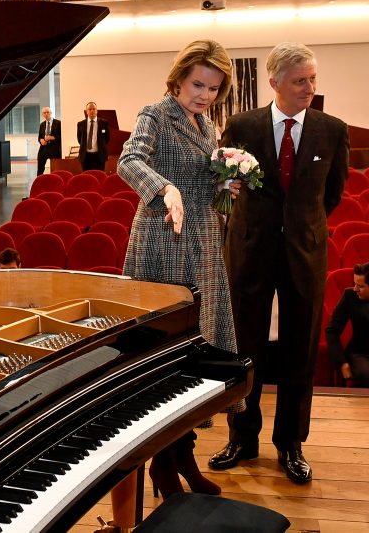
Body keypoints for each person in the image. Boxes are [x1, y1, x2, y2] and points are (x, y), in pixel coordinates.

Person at [209, 42, 349, 485]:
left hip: (305, 253)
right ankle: (242, 438)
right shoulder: (242, 126)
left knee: (299, 350)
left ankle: (291, 442)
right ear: (274, 83)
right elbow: (224, 183)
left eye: (312, 79)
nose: (309, 87)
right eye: (299, 81)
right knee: (243, 346)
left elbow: (333, 195)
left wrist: (300, 226)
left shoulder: (332, 130)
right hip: (249, 249)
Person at [118, 39, 240, 499]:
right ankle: (161, 465)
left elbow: (206, 183)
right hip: (163, 242)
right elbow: (130, 160)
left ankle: (182, 452)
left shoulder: (207, 126)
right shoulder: (156, 113)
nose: (204, 94)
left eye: (213, 87)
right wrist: (164, 188)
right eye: (197, 84)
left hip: (204, 241)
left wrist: (228, 186)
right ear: (179, 78)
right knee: (167, 353)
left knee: (197, 350)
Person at [76, 101, 110, 171]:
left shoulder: (104, 123)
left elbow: (107, 138)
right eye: (90, 109)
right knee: (86, 178)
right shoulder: (80, 124)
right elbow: (80, 139)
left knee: (100, 177)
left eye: (94, 109)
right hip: (86, 157)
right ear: (86, 111)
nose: (92, 111)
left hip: (99, 156)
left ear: (97, 111)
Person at [36, 106, 61, 175]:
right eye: (44, 113)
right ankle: (39, 180)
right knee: (40, 167)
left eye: (48, 112)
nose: (46, 114)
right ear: (42, 114)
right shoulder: (42, 124)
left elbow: (61, 136)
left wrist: (52, 137)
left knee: (56, 168)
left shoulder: (58, 123)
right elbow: (39, 137)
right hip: (44, 148)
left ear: (51, 113)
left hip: (55, 148)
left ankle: (55, 180)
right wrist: (41, 140)